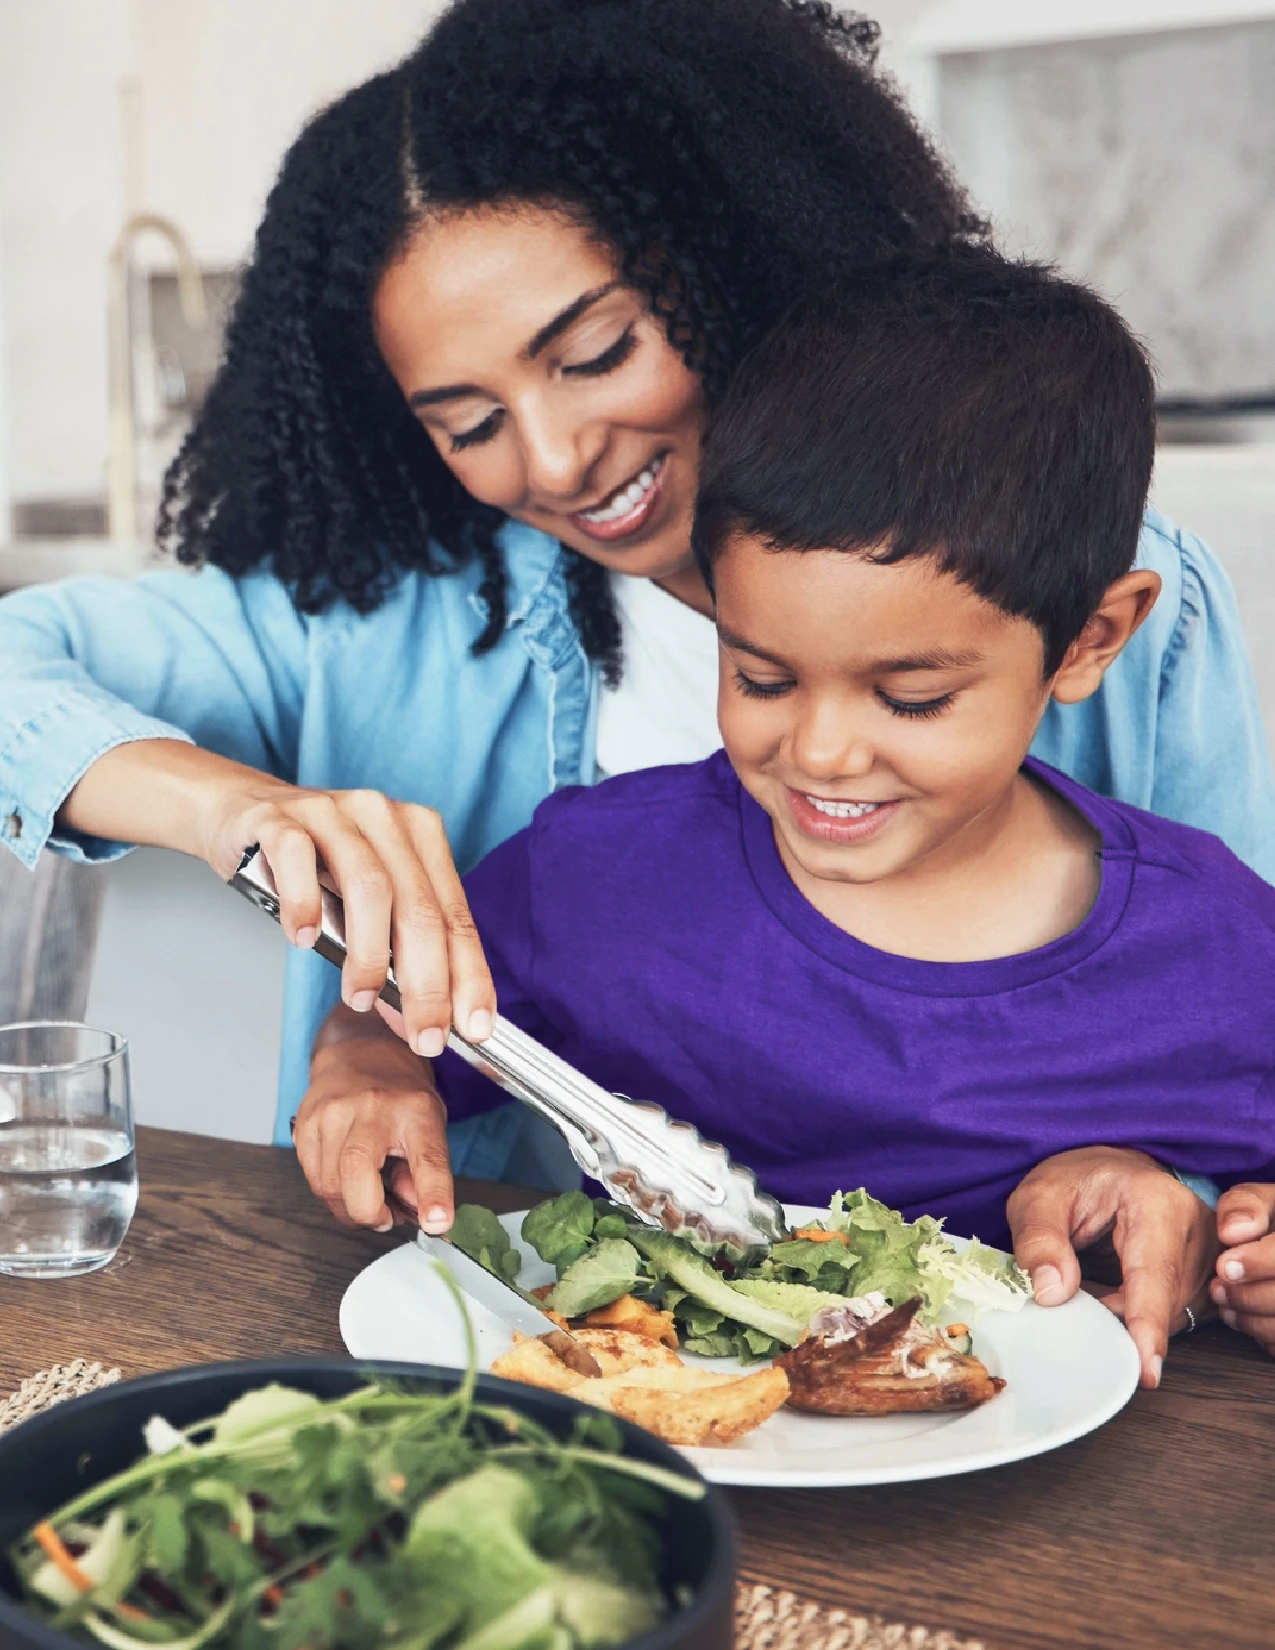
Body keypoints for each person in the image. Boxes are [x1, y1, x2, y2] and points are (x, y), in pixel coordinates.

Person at [0, 0, 1270, 1349]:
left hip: (1018, 1387)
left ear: (723, 253)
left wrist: (1171, 1197)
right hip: (522, 1356)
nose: (550, 460)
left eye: (596, 353)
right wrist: (235, 810)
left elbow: (1206, 1049)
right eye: (469, 422)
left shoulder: (1093, 579)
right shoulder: (379, 614)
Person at [412, 251, 1275, 1385]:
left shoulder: (1216, 945)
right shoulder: (595, 872)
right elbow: (417, 1022)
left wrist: (1246, 1251)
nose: (816, 752)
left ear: (1089, 641)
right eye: (762, 677)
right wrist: (369, 1074)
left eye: (910, 697)